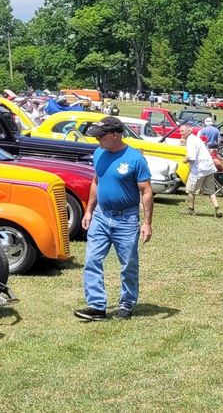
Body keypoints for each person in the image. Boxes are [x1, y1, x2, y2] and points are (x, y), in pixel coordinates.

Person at [75, 116, 153, 321]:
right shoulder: (99, 153)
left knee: (128, 264)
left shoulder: (135, 159)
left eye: (101, 136)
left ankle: (126, 304)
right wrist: (89, 211)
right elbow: (96, 182)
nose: (97, 140)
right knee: (92, 260)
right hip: (101, 216)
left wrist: (146, 223)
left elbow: (146, 191)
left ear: (116, 135)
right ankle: (97, 306)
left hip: (125, 220)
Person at [183, 127, 223, 218]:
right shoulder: (196, 139)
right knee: (210, 191)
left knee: (190, 190)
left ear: (188, 131)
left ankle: (191, 209)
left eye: (183, 131)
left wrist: (184, 160)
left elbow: (192, 156)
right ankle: (217, 208)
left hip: (199, 169)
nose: (181, 133)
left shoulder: (190, 140)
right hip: (209, 167)